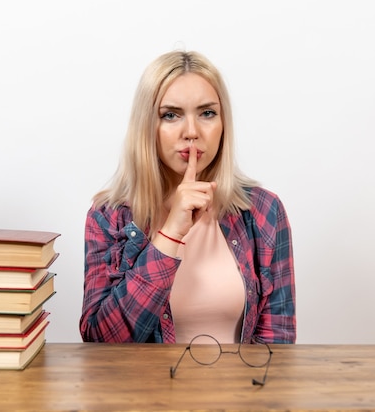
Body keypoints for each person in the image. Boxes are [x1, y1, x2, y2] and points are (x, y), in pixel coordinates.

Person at [79, 50, 296, 345]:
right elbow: (100, 342)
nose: (191, 132)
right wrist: (170, 235)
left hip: (242, 391)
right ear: (147, 126)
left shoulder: (263, 211)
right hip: (145, 392)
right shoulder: (108, 217)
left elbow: (278, 344)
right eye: (171, 115)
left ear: (223, 123)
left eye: (207, 113)